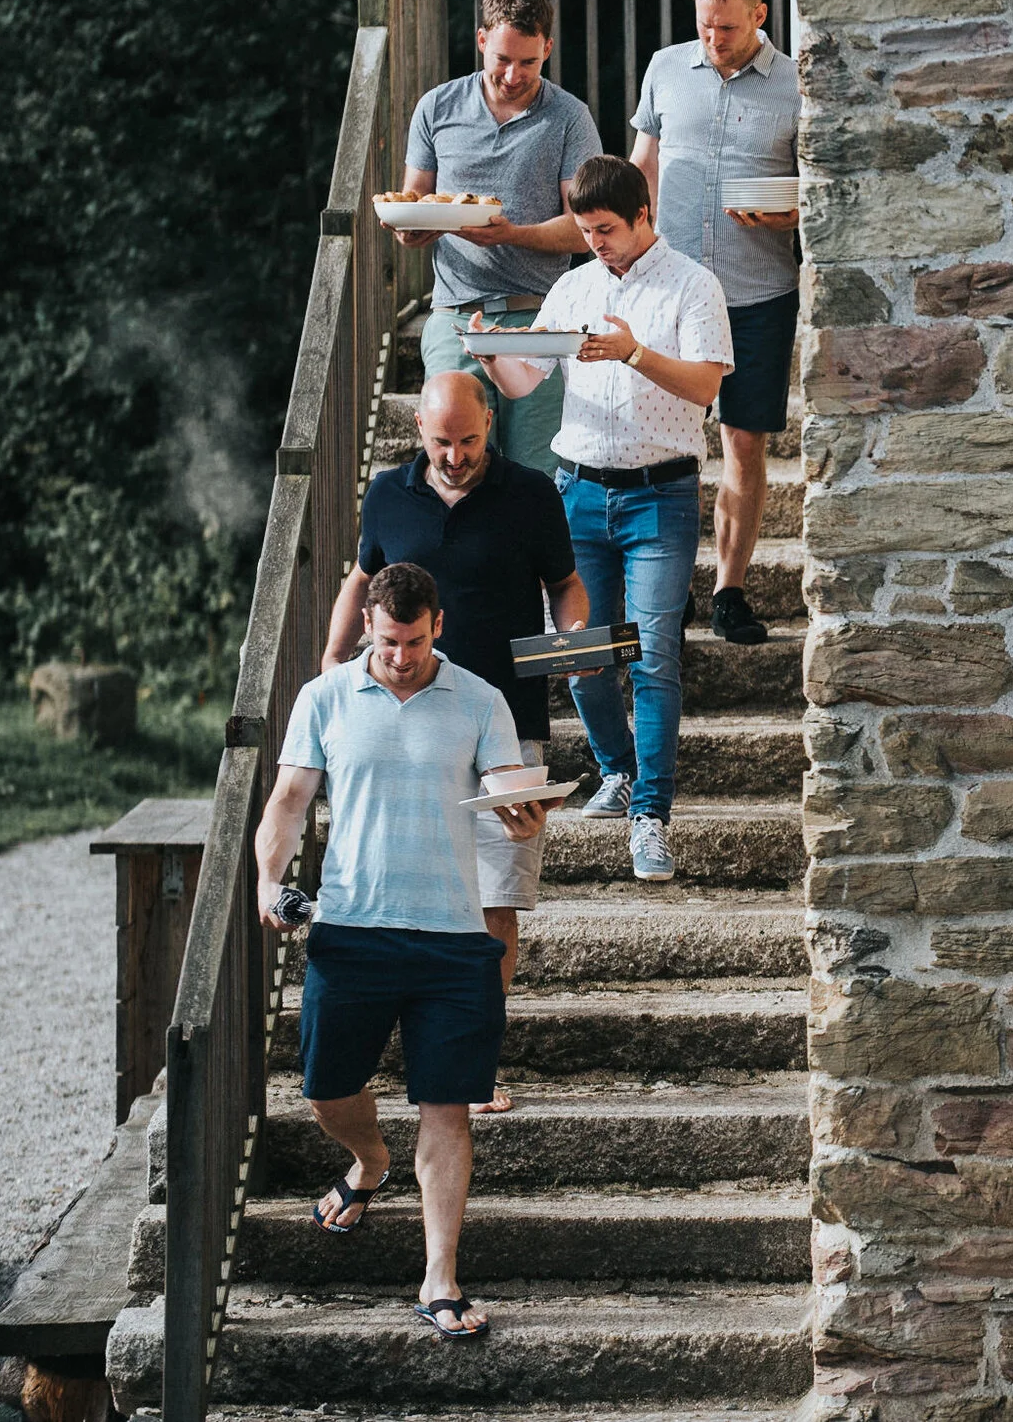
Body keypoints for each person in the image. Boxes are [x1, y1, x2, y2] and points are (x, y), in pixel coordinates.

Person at [256, 563, 554, 1341]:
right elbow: (289, 800)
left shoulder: (481, 699)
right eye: (388, 641)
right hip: (351, 928)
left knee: (448, 1107)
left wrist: (524, 819)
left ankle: (440, 1278)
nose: (400, 656)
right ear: (368, 630)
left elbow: (510, 791)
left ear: (438, 628)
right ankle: (368, 1162)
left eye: (415, 642)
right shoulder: (323, 698)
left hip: (455, 939)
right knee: (324, 1091)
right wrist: (266, 879)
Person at [321, 369, 587, 1113]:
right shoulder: (385, 493)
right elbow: (362, 576)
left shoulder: (532, 493)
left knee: (497, 901)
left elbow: (565, 584)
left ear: (490, 427)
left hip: (506, 722)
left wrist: (572, 639)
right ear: (419, 433)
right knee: (408, 899)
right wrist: (330, 659)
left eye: (469, 440)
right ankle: (403, 1059)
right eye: (442, 441)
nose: (456, 454)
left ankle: (470, 1069)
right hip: (405, 730)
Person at [469, 155, 731, 882]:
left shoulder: (693, 285)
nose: (597, 244)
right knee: (573, 653)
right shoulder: (573, 285)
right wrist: (492, 354)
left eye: (607, 229)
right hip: (577, 492)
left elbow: (706, 384)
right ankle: (616, 768)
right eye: (586, 231)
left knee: (651, 654)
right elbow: (528, 379)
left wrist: (635, 353)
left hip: (661, 494)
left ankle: (651, 814)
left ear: (644, 214)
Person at [630, 0, 800, 645]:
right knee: (661, 443)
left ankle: (729, 589)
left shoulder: (796, 85)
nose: (714, 38)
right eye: (704, 26)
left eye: (727, 27)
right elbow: (641, 165)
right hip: (670, 289)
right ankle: (665, 593)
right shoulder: (666, 69)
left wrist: (790, 215)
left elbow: (817, 189)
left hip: (758, 290)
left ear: (759, 15)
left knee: (742, 441)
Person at [388, 0, 604, 472]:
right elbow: (411, 204)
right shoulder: (436, 108)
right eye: (502, 59)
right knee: (452, 464)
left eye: (528, 62)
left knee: (536, 475)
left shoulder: (570, 118)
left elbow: (585, 229)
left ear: (547, 48)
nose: (513, 74)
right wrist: (412, 227)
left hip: (539, 320)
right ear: (481, 40)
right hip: (454, 316)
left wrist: (511, 235)